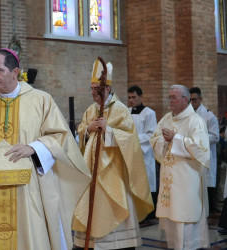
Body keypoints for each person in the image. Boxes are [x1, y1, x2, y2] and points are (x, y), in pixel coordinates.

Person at [0, 48, 91, 250]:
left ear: (15, 71)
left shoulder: (41, 100)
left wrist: (33, 148)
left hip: (29, 186)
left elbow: (60, 136)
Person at [72, 60, 153, 250]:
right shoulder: (91, 110)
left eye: (95, 88)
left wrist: (108, 130)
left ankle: (116, 243)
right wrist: (87, 129)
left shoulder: (121, 110)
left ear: (107, 88)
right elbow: (81, 133)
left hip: (113, 172)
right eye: (91, 88)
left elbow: (130, 140)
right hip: (91, 171)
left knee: (112, 206)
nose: (92, 92)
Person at [150, 85, 210, 249]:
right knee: (172, 220)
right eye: (169, 97)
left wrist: (176, 138)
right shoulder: (166, 118)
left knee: (185, 216)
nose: (170, 100)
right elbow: (154, 139)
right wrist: (164, 140)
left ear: (185, 99)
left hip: (186, 179)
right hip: (170, 178)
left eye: (173, 97)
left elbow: (201, 150)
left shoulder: (195, 121)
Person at [127, 86, 157, 217]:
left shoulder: (149, 113)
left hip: (144, 154)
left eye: (134, 97)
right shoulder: (126, 112)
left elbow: (151, 134)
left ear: (141, 97)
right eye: (129, 97)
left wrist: (133, 139)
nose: (131, 100)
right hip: (130, 152)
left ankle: (148, 212)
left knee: (146, 182)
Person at [189, 87, 219, 212]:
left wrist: (198, 139)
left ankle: (208, 212)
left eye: (194, 100)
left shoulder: (209, 115)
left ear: (201, 99)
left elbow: (215, 136)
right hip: (191, 155)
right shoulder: (187, 115)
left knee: (206, 187)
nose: (192, 103)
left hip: (205, 155)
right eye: (190, 100)